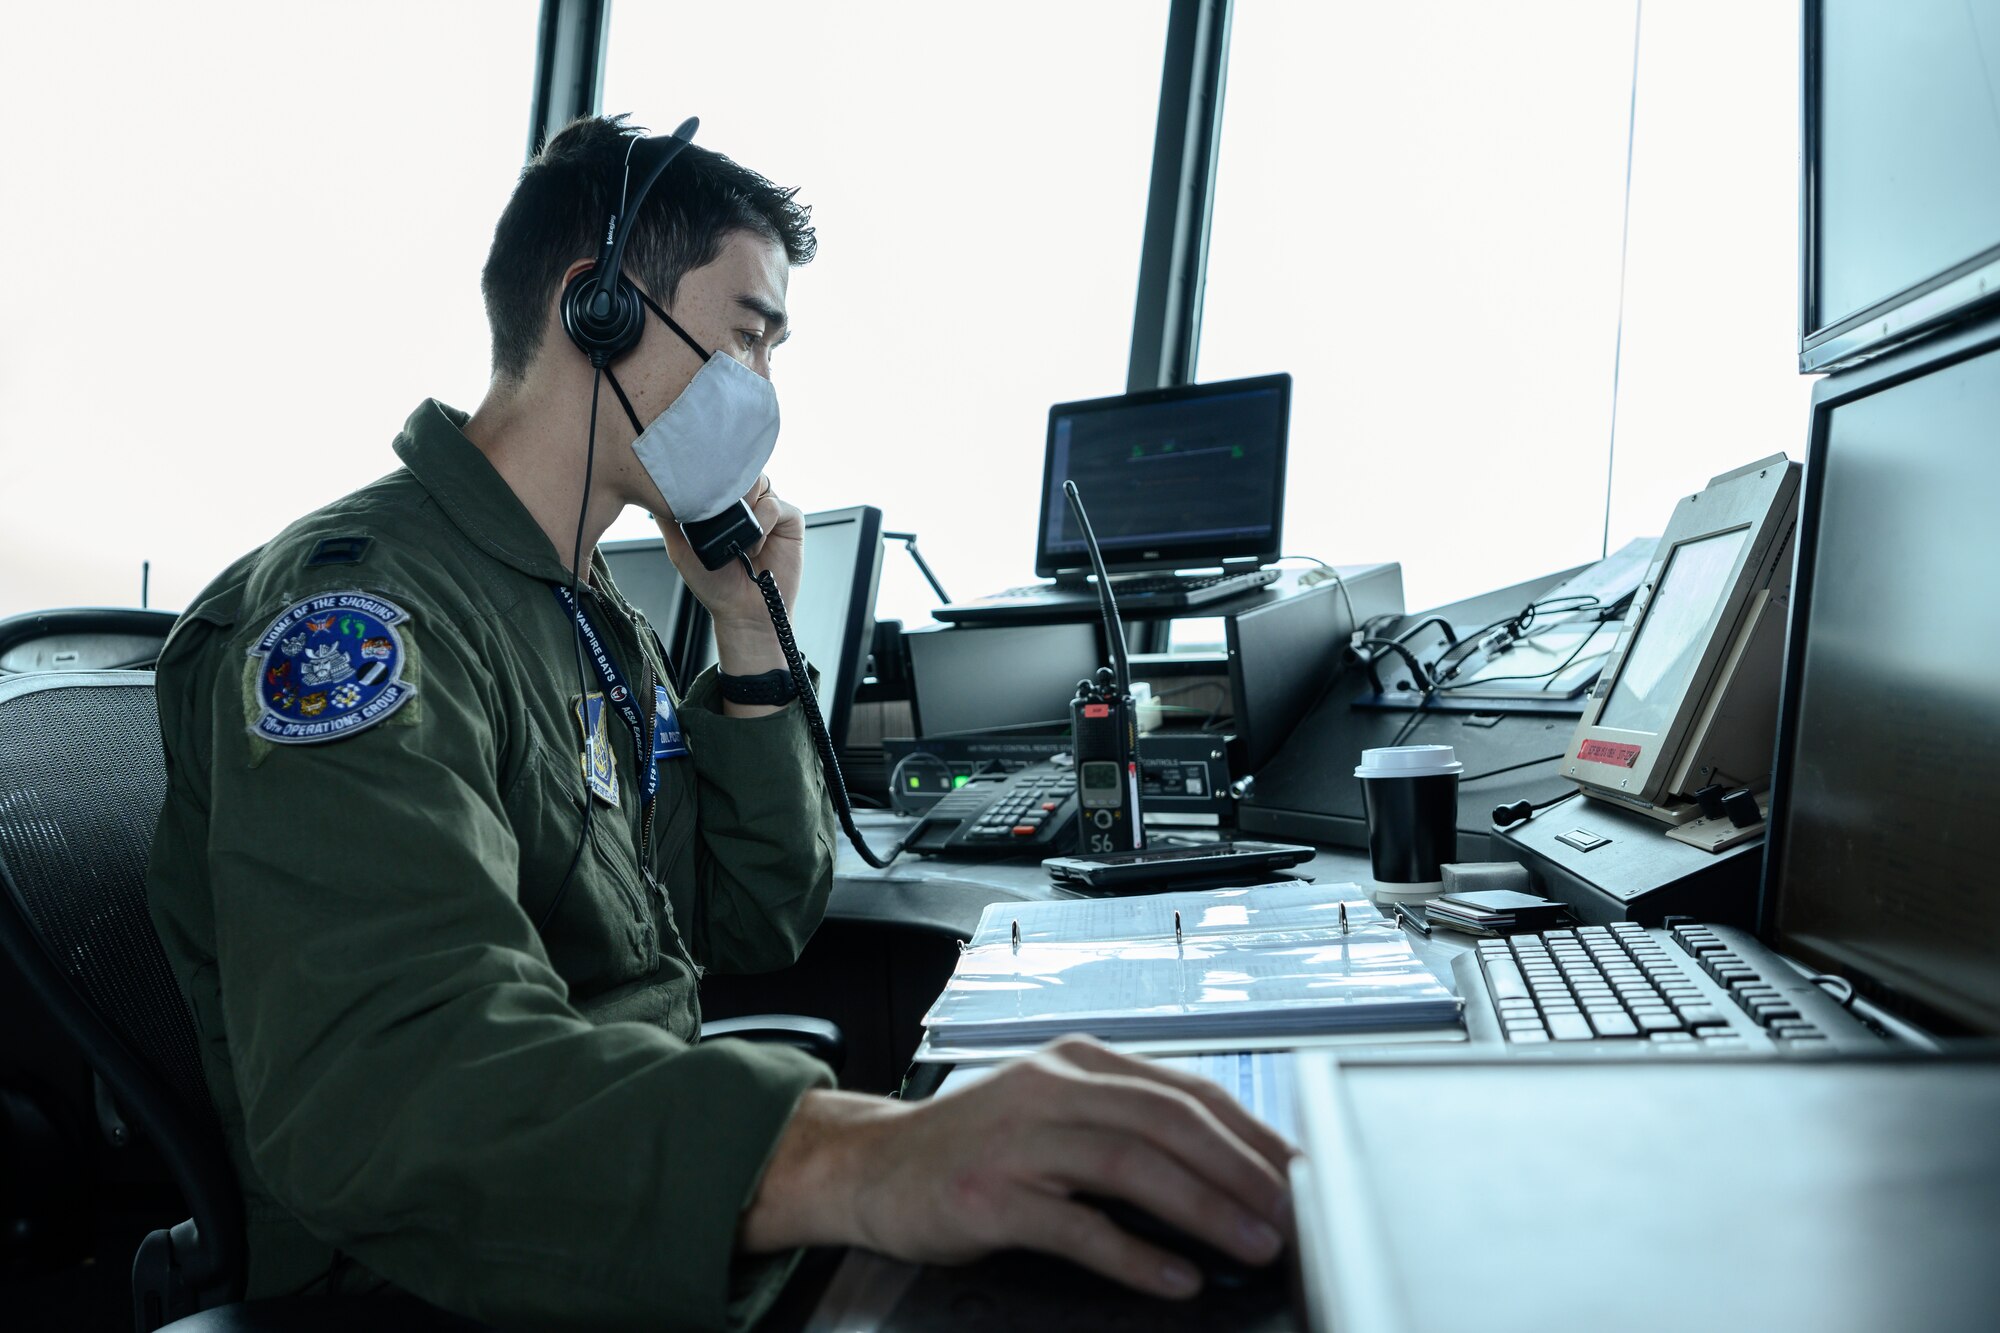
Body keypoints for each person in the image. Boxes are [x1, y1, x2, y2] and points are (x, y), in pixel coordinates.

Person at [145, 116, 1292, 1333]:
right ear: (599, 311)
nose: (760, 390)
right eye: (745, 335)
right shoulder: (361, 619)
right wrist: (858, 1160)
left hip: (636, 1197)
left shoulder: (582, 611)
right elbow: (391, 1082)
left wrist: (749, 641)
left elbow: (744, 913)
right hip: (463, 1270)